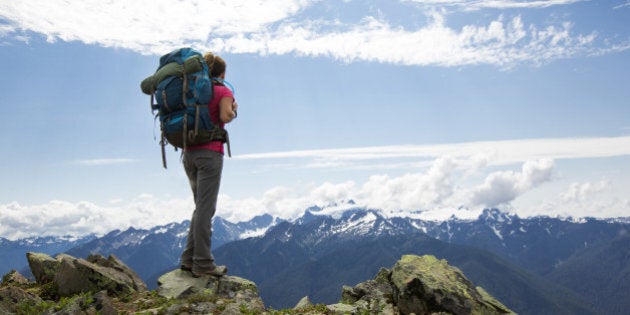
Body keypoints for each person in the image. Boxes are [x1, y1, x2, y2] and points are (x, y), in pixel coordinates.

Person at [179, 52, 237, 277]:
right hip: (210, 154)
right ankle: (203, 263)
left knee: (200, 206)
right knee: (206, 208)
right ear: (221, 73)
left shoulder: (192, 92)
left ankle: (187, 258)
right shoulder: (223, 91)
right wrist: (233, 109)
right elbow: (225, 116)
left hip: (189, 154)